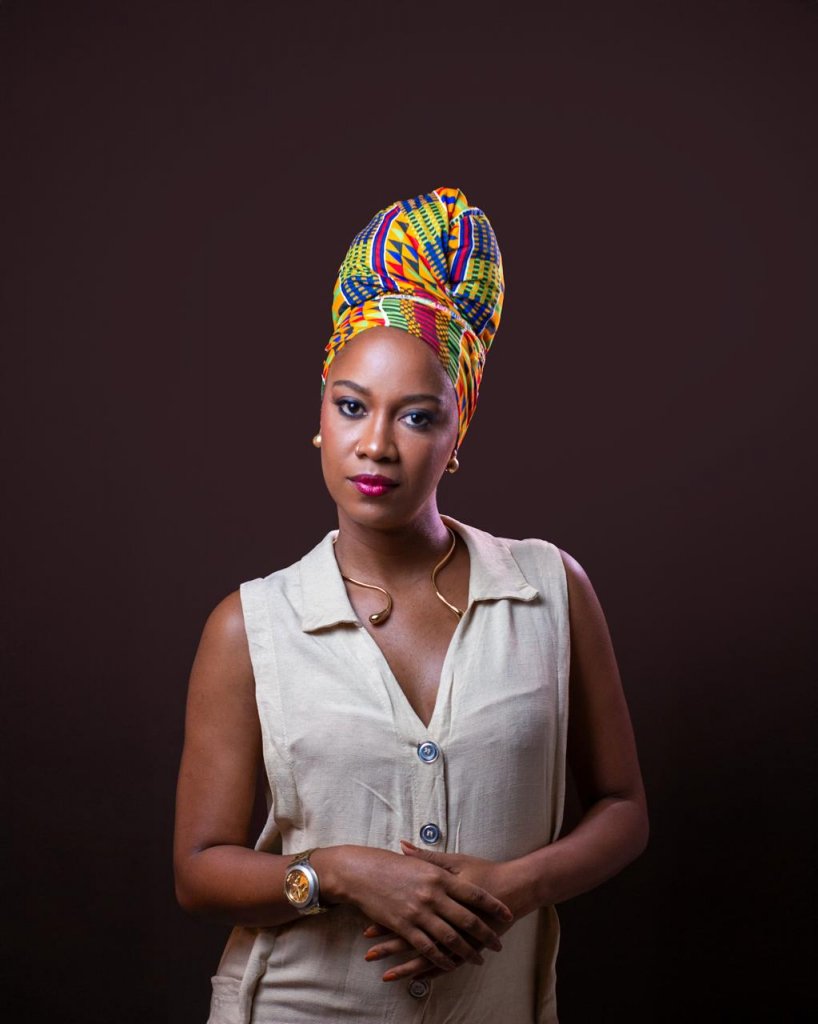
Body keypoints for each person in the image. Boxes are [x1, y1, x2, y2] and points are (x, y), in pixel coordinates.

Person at [173, 186, 649, 1024]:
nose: (375, 444)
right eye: (351, 406)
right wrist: (334, 872)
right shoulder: (250, 625)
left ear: (457, 432)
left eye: (417, 417)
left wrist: (513, 887)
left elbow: (623, 809)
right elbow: (199, 871)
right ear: (321, 416)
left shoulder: (548, 590)